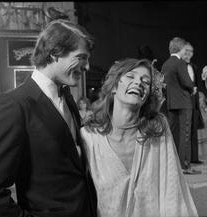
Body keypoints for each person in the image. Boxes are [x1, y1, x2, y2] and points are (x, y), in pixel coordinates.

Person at [0, 19, 97, 217]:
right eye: (81, 57)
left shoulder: (68, 98)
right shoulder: (13, 105)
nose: (87, 67)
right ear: (55, 53)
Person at [81, 58, 198, 217]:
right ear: (115, 86)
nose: (139, 83)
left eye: (146, 81)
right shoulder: (90, 137)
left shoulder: (157, 130)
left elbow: (172, 190)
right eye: (131, 77)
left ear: (148, 94)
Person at [161, 37, 201, 174]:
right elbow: (187, 82)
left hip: (172, 103)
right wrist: (193, 88)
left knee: (174, 134)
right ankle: (185, 166)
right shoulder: (180, 63)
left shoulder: (165, 64)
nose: (186, 52)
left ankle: (174, 165)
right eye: (185, 49)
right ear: (180, 48)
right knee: (185, 134)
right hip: (184, 103)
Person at [182, 42, 205, 164]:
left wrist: (199, 97)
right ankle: (185, 159)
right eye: (186, 51)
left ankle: (194, 158)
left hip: (194, 100)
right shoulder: (178, 66)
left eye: (191, 52)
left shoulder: (194, 67)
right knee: (185, 131)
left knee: (194, 130)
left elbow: (198, 84)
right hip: (184, 101)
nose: (189, 54)